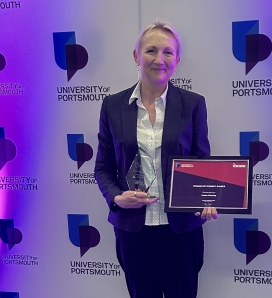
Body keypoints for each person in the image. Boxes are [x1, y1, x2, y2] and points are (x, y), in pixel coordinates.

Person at [94, 18, 218, 298]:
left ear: (177, 59)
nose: (159, 59)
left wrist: (208, 198)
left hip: (181, 232)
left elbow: (201, 163)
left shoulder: (194, 104)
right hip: (133, 231)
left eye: (168, 52)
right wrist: (116, 198)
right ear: (136, 55)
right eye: (151, 50)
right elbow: (103, 167)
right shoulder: (113, 106)